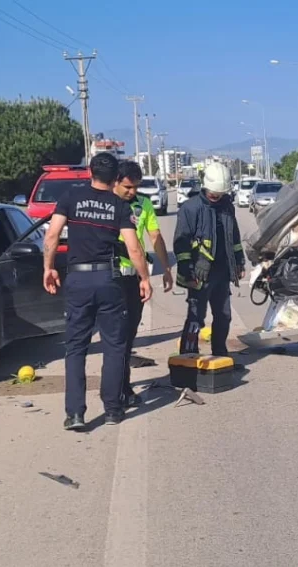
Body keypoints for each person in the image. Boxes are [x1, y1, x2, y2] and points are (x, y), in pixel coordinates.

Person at [43, 153, 152, 430]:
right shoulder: (119, 206)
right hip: (109, 280)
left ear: (89, 172)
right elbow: (134, 247)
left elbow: (52, 235)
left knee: (76, 348)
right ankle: (113, 409)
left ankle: (76, 414)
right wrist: (144, 278)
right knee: (114, 346)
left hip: (78, 280)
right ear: (116, 178)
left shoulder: (71, 197)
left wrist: (49, 268)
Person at [112, 160, 172, 407]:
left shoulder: (143, 204)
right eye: (127, 187)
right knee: (116, 336)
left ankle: (120, 386)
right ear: (115, 182)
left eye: (136, 187)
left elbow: (155, 236)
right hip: (110, 278)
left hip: (134, 277)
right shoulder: (106, 203)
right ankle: (119, 388)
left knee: (129, 334)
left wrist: (166, 267)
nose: (132, 192)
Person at [174, 163, 245, 357]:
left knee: (224, 316)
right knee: (196, 318)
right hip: (199, 273)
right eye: (214, 192)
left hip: (222, 272)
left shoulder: (227, 207)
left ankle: (220, 354)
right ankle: (188, 357)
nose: (216, 196)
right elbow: (181, 244)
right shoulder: (190, 208)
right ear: (205, 186)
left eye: (220, 193)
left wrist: (239, 261)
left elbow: (235, 237)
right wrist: (186, 271)